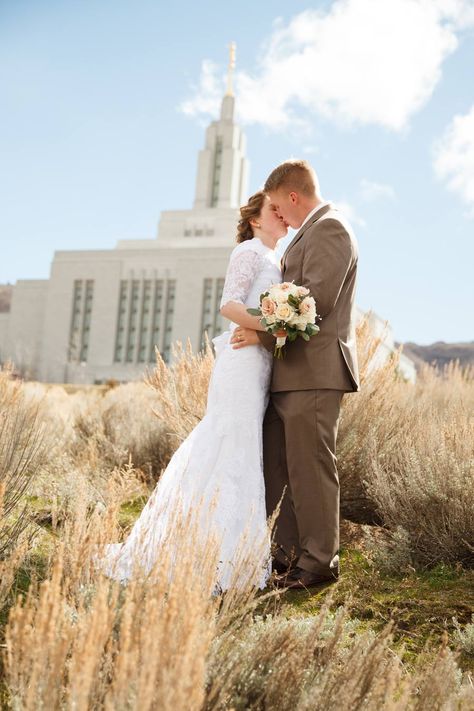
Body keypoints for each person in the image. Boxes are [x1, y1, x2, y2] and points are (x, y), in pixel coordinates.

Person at [94, 191, 286, 592]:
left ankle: (225, 551)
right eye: (273, 210)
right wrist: (272, 326)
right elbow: (229, 305)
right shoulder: (249, 252)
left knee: (243, 445)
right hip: (240, 364)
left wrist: (273, 329)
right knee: (230, 442)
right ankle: (215, 558)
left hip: (259, 364)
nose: (282, 215)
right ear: (254, 219)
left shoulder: (274, 259)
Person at [232, 160, 359, 590]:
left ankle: (320, 563)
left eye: (278, 208)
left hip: (316, 373)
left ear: (291, 196)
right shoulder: (307, 233)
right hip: (286, 375)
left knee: (311, 469)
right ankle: (285, 558)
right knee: (280, 469)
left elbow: (313, 304)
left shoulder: (331, 228)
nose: (279, 218)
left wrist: (259, 335)